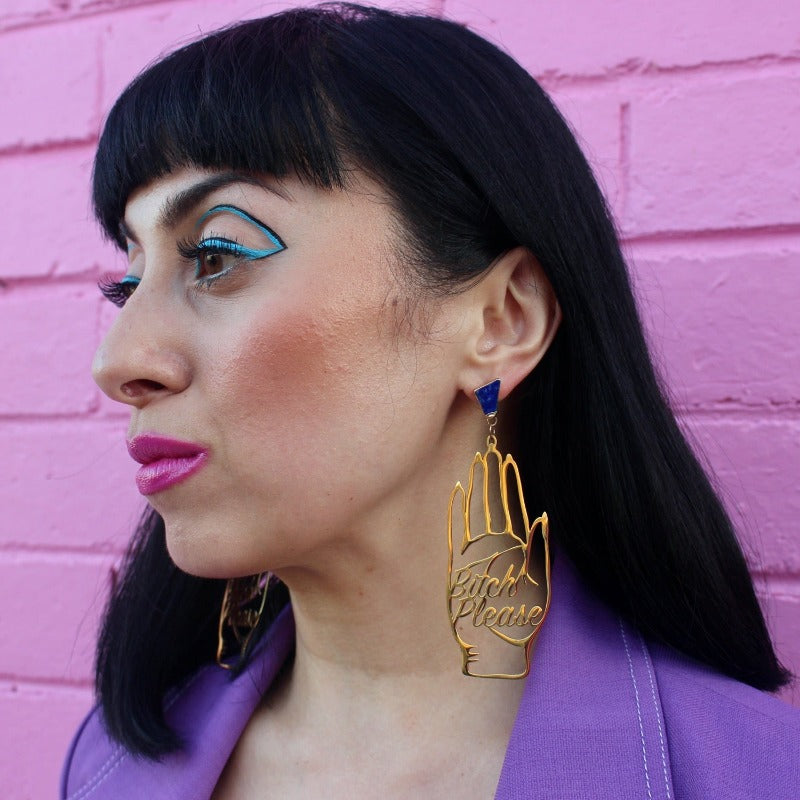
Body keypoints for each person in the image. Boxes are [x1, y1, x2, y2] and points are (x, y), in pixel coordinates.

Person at [60, 4, 799, 798]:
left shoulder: (755, 776)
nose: (119, 362)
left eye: (216, 254)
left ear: (500, 320)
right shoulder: (110, 764)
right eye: (128, 284)